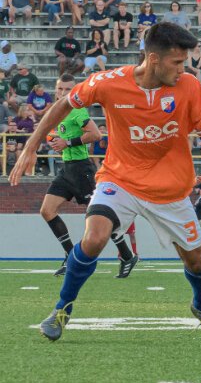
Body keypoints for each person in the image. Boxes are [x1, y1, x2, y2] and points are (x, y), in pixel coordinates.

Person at [10, 23, 201, 340]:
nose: (183, 69)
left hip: (170, 188)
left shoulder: (189, 87)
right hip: (120, 178)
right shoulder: (109, 82)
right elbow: (63, 104)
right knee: (95, 237)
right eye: (177, 62)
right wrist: (31, 146)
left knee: (196, 261)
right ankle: (62, 309)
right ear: (153, 58)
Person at [39, 73, 138, 277]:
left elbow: (96, 134)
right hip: (67, 169)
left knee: (100, 217)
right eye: (60, 89)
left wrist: (68, 142)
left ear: (74, 90)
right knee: (47, 211)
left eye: (68, 89)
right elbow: (56, 133)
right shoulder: (58, 112)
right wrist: (55, 139)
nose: (64, 93)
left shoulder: (77, 110)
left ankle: (127, 255)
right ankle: (70, 254)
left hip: (82, 170)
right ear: (55, 91)